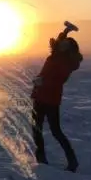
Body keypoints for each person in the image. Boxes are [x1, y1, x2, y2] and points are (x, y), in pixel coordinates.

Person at [31, 26, 83, 172]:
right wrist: (66, 31)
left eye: (66, 44)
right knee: (36, 129)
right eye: (63, 42)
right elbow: (58, 41)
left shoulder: (66, 63)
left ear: (69, 50)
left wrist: (42, 82)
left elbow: (59, 80)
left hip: (50, 99)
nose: (62, 43)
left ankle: (72, 161)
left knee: (55, 131)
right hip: (40, 96)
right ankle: (41, 159)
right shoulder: (57, 54)